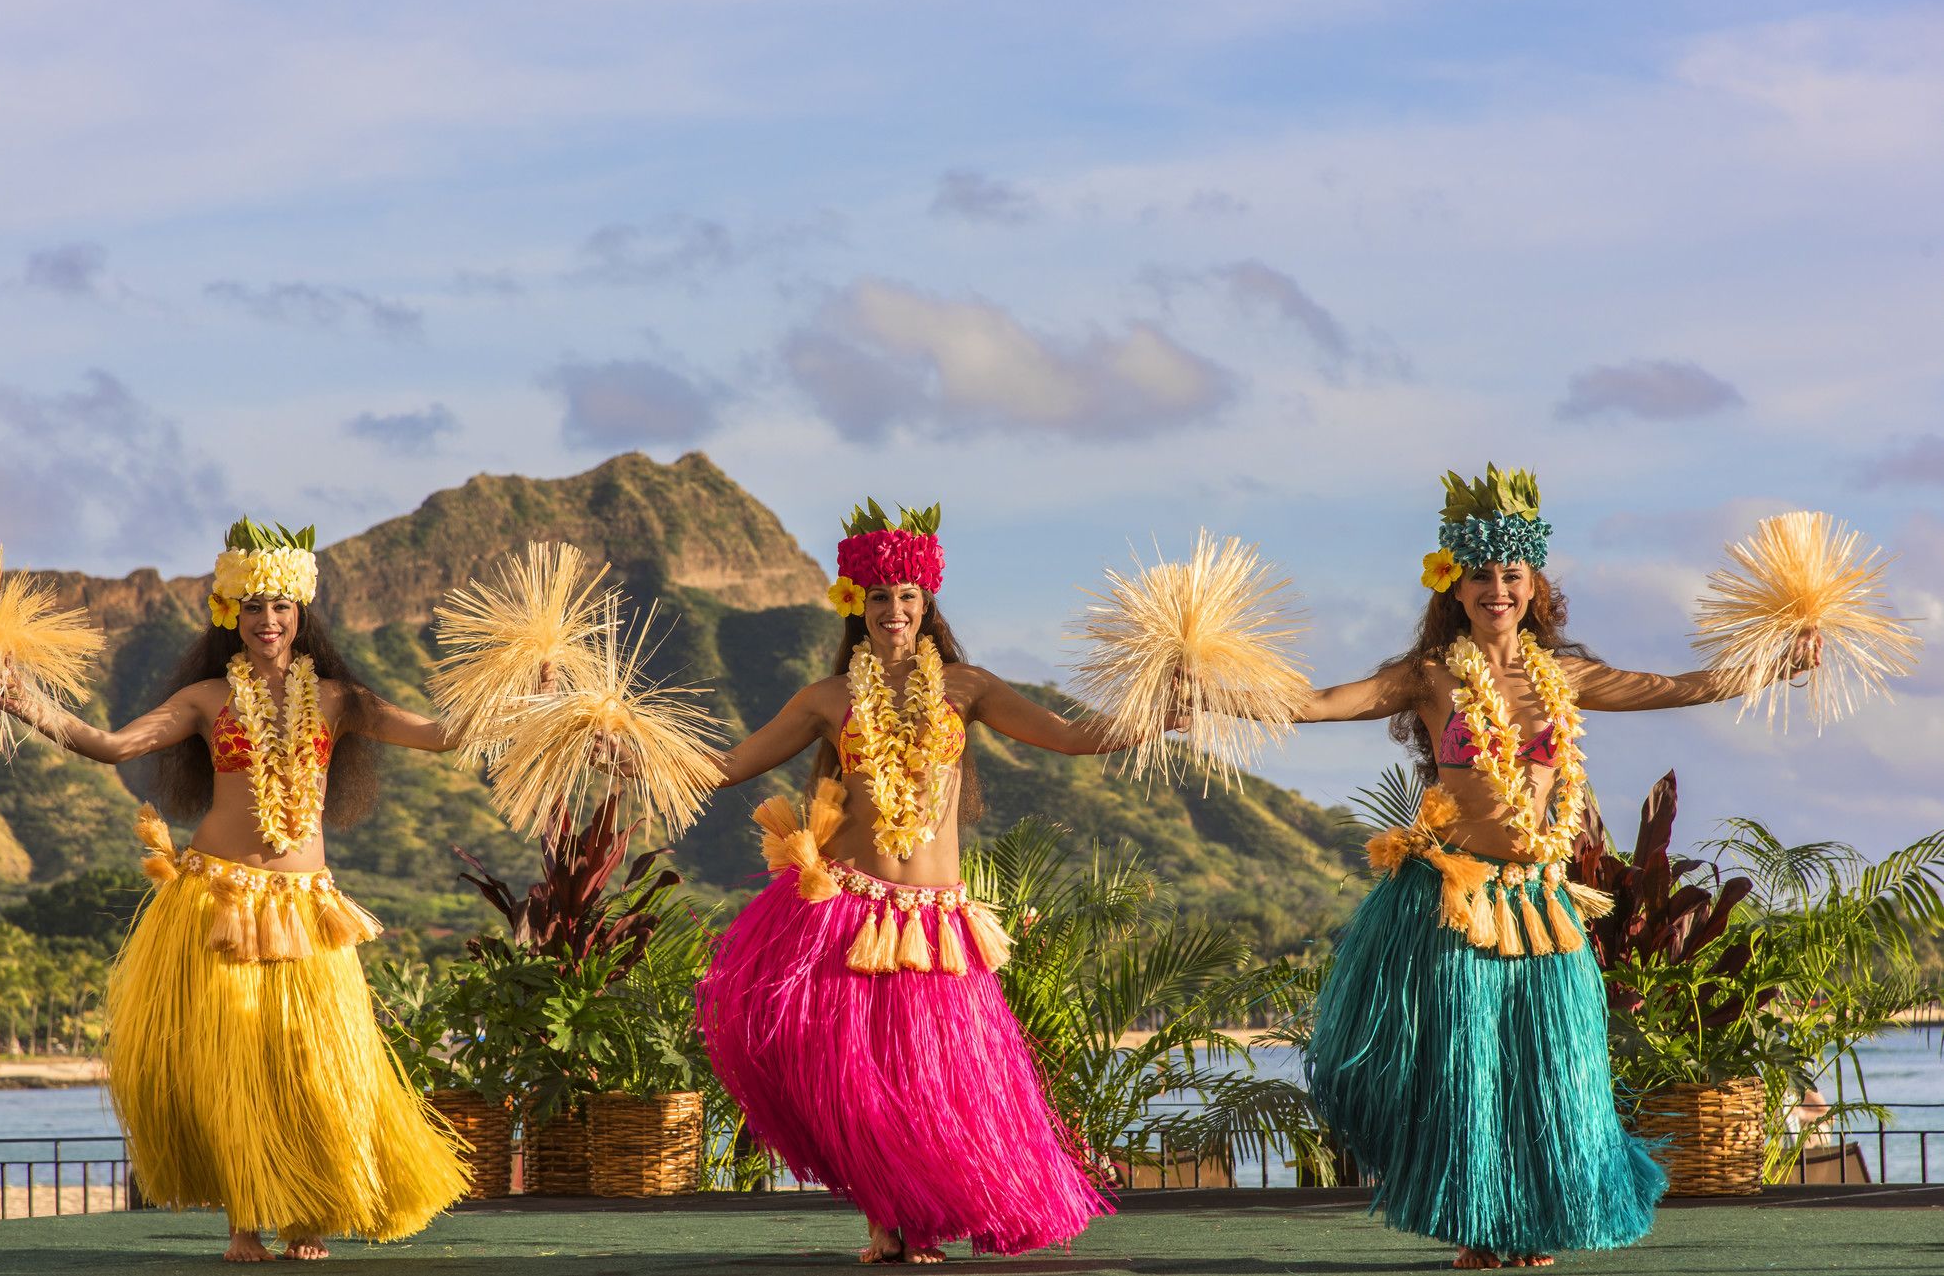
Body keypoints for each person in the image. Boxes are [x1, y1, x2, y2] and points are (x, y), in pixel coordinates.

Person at [1295, 467, 1819, 1270]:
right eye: (1480, 574)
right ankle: (1478, 1226)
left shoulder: (1561, 676)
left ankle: (1536, 1221)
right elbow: (1326, 699)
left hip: (1540, 899)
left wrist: (1772, 664)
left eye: (1511, 573)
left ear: (1533, 582)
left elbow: (1672, 685)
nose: (1496, 588)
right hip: (1458, 898)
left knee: (1548, 1068)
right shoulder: (1432, 675)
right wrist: (1216, 687)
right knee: (1470, 1070)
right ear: (1453, 585)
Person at [694, 501, 1175, 1265]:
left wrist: (1160, 708)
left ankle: (922, 1212)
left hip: (936, 927)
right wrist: (635, 753)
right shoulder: (827, 699)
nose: (895, 610)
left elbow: (1073, 737)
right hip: (848, 914)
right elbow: (727, 766)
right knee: (860, 1085)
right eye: (879, 597)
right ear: (857, 605)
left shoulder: (966, 686)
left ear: (927, 602)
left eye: (908, 596)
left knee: (936, 1085)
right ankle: (890, 1221)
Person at [0, 520, 468, 1262]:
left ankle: (307, 1212)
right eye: (252, 607)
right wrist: (28, 704)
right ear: (229, 615)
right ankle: (243, 1221)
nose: (268, 620)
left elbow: (442, 735)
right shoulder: (205, 697)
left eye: (280, 606)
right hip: (217, 901)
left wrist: (524, 698)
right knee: (232, 1071)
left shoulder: (342, 700)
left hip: (309, 910)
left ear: (301, 612)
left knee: (314, 1064)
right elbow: (113, 745)